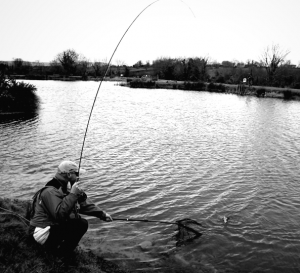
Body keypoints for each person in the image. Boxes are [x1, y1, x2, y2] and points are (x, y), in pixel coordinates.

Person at [29, 160, 112, 260]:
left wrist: (102, 214)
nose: (78, 177)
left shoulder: (65, 187)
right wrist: (73, 194)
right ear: (68, 174)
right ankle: (60, 256)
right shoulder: (50, 191)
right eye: (76, 174)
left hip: (50, 227)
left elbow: (83, 206)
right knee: (80, 224)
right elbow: (59, 215)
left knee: (76, 221)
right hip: (41, 232)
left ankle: (59, 250)